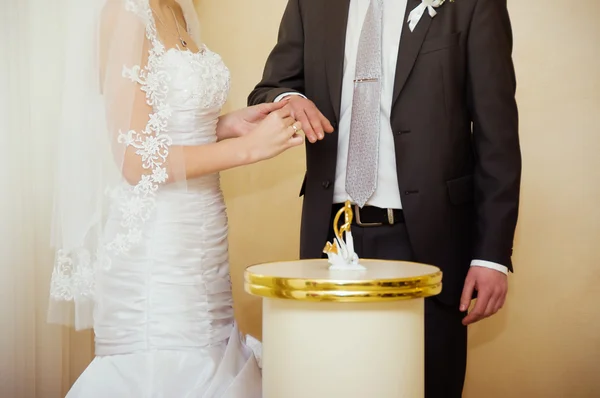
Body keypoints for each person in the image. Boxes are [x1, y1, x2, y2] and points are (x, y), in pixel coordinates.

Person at [249, 0, 521, 396]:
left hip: (430, 241)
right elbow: (269, 88)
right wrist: (288, 99)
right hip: (330, 240)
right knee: (332, 382)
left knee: (425, 382)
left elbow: (497, 135)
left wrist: (491, 254)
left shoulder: (472, 5)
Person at [48, 0, 303, 396]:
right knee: (173, 366)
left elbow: (169, 127)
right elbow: (134, 159)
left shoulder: (178, 10)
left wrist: (226, 125)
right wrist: (248, 151)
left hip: (204, 233)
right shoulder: (124, 14)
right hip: (157, 245)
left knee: (213, 354)